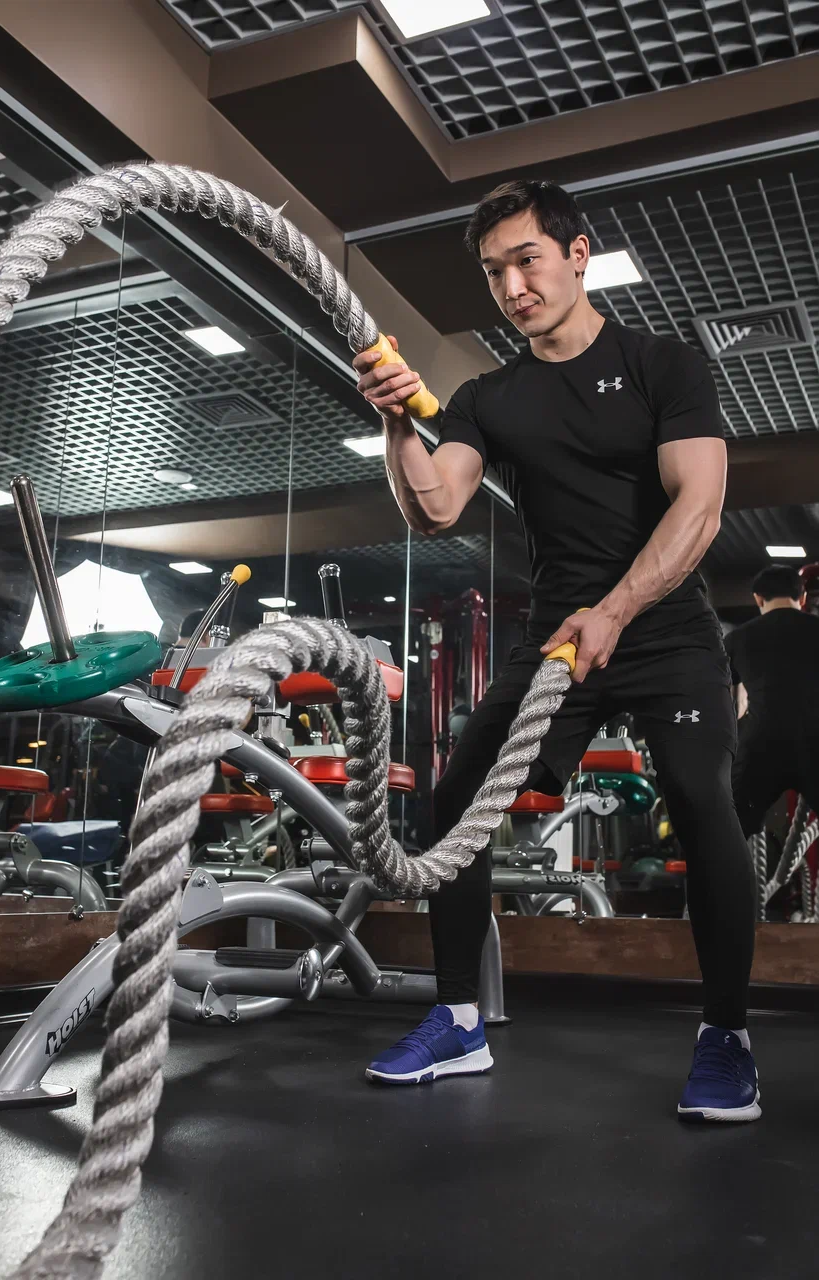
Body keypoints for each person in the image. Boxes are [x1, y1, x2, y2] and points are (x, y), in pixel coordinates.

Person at [353, 178, 759, 1122]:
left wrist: (617, 606)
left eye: (526, 260)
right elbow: (433, 506)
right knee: (456, 800)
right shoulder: (489, 397)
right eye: (494, 272)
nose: (511, 286)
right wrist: (391, 420)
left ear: (577, 254)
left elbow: (698, 509)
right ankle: (456, 1022)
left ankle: (726, 1034)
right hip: (556, 645)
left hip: (662, 629)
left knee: (703, 802)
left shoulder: (664, 365)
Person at [727, 563, 819, 835]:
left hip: (761, 744)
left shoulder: (738, 639)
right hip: (815, 740)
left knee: (731, 829)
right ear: (802, 597)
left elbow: (735, 707)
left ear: (758, 598)